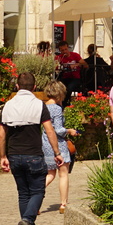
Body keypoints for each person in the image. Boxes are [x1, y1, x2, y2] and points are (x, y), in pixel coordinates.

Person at [0, 72, 63, 225]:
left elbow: (1, 134)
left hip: (14, 155)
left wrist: (2, 156)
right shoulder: (39, 105)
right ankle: (27, 220)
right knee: (38, 191)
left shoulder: (8, 106)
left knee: (23, 193)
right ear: (34, 87)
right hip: (34, 154)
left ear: (17, 86)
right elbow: (50, 130)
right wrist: (57, 152)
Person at [41, 80, 78, 214]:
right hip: (58, 144)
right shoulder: (56, 109)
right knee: (63, 174)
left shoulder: (43, 106)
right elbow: (59, 130)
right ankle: (63, 204)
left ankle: (35, 201)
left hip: (45, 143)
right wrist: (70, 131)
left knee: (50, 174)